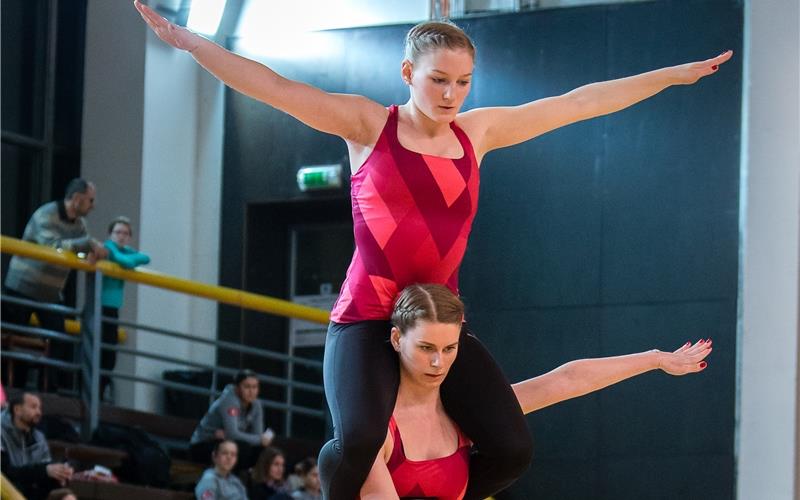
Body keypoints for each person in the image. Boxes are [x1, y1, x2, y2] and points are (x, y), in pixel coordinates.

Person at [132, 3, 732, 497]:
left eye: (463, 81)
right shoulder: (369, 126)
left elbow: (578, 103)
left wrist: (667, 77)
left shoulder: (479, 134)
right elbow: (272, 86)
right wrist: (188, 42)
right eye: (438, 79)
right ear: (407, 74)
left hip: (437, 320)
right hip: (367, 319)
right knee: (362, 437)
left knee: (513, 445)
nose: (451, 94)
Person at [359, 284, 713, 499]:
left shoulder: (466, 416)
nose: (438, 362)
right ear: (396, 339)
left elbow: (566, 380)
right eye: (425, 348)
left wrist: (654, 360)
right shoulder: (377, 429)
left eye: (449, 349)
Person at [2, 178, 108, 390]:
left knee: (59, 337)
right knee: (14, 339)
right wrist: (87, 245)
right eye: (90, 200)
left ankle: (49, 389)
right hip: (21, 287)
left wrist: (94, 252)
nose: (93, 206)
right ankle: (10, 390)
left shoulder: (80, 225)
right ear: (77, 199)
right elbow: (53, 247)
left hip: (50, 293)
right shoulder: (45, 214)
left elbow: (80, 247)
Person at [100, 216, 150, 400]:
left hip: (112, 309)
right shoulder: (108, 248)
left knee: (109, 356)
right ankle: (93, 393)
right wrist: (128, 259)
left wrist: (129, 258)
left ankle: (100, 393)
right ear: (110, 235)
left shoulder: (124, 251)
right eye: (118, 232)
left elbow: (145, 258)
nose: (121, 236)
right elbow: (127, 261)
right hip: (99, 307)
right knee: (99, 352)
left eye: (125, 233)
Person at [190, 369, 274, 470]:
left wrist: (258, 440)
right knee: (243, 448)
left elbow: (257, 434)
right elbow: (233, 434)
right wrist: (260, 439)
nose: (251, 391)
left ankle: (244, 482)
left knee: (262, 450)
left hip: (226, 443)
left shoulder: (257, 404)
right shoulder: (228, 400)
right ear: (237, 388)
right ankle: (232, 480)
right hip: (202, 445)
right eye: (247, 387)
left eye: (255, 387)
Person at [0, 392, 74, 500]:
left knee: (68, 497)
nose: (39, 412)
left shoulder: (39, 438)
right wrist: (45, 471)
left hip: (30, 495)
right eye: (33, 407)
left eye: (39, 408)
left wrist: (59, 476)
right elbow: (5, 473)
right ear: (17, 410)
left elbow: (43, 477)